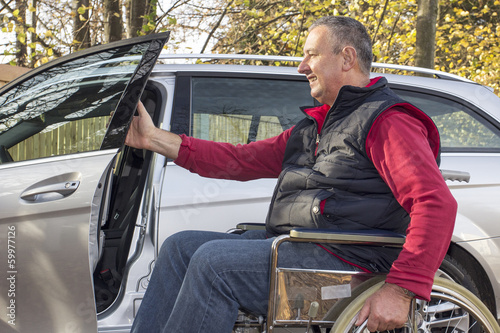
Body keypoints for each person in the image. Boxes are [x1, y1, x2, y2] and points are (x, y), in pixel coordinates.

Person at [127, 16, 457, 333]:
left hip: (348, 265)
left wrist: (401, 290)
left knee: (215, 264)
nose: (301, 67)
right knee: (178, 248)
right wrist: (152, 138)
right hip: (300, 249)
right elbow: (239, 160)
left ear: (346, 58)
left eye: (311, 55)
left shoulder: (388, 122)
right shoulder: (313, 128)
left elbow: (435, 203)